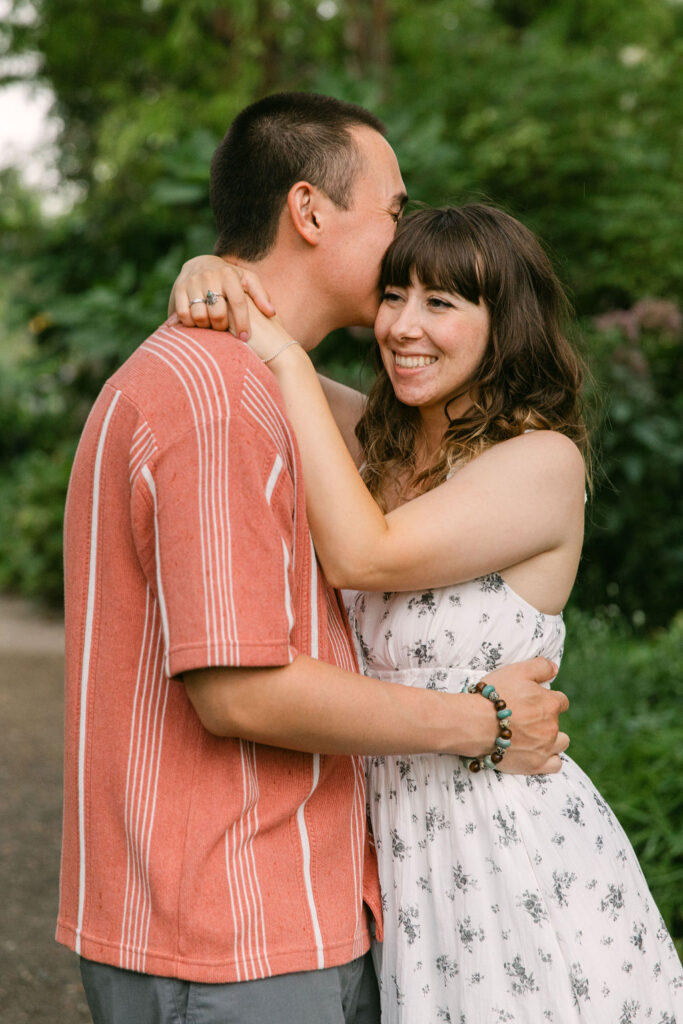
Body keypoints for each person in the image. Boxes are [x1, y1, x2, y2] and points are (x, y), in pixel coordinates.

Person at [58, 94, 570, 1024]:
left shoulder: (263, 392)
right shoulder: (222, 399)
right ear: (307, 211)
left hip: (398, 890)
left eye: (445, 299)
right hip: (236, 924)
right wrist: (483, 723)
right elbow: (242, 690)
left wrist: (236, 297)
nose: (402, 238)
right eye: (393, 210)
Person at [174, 203, 683, 1021]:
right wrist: (205, 270)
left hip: (504, 851)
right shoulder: (379, 445)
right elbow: (251, 362)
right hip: (391, 854)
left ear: (503, 325)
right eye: (393, 296)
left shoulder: (541, 462)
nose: (403, 326)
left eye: (441, 304)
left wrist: (287, 361)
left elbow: (362, 554)